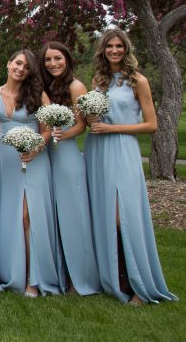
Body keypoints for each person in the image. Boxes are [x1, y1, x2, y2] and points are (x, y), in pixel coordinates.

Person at [85, 28, 176, 305]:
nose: (114, 50)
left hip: (123, 149)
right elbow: (93, 118)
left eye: (119, 46)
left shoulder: (138, 81)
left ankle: (139, 285)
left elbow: (151, 124)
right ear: (103, 50)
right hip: (96, 150)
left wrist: (113, 128)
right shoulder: (98, 81)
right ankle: (115, 279)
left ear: (126, 49)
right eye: (109, 46)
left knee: (122, 217)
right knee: (102, 215)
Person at [0, 49, 60, 296]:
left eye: (26, 67)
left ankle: (33, 279)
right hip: (4, 164)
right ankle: (8, 271)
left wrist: (35, 149)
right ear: (8, 64)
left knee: (28, 218)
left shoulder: (38, 95)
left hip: (33, 160)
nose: (20, 69)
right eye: (17, 63)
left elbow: (47, 131)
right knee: (7, 216)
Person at [38, 41, 100, 295]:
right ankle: (58, 274)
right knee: (52, 218)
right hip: (44, 156)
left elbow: (81, 125)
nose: (53, 63)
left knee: (73, 218)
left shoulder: (76, 87)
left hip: (66, 157)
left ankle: (81, 279)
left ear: (67, 60)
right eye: (48, 60)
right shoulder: (42, 88)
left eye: (58, 59)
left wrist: (61, 135)